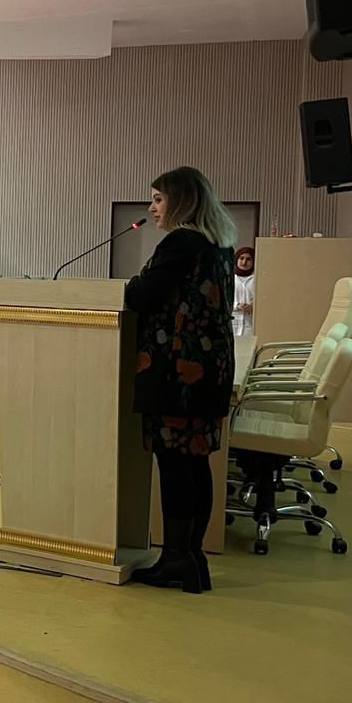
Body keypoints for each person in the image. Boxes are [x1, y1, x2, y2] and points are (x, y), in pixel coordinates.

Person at [125, 166, 235, 595]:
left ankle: (176, 560)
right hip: (208, 368)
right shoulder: (217, 244)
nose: (152, 208)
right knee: (195, 462)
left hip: (177, 372)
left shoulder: (181, 242)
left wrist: (136, 281)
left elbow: (141, 295)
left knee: (174, 465)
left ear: (181, 201)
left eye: (158, 198)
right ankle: (192, 557)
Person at [232, 246, 254, 337]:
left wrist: (254, 305)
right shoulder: (230, 279)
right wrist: (237, 305)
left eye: (248, 259)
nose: (244, 262)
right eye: (241, 258)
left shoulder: (257, 279)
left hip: (251, 323)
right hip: (234, 322)